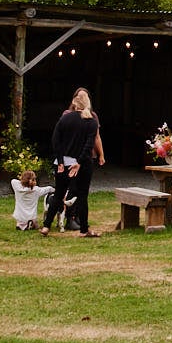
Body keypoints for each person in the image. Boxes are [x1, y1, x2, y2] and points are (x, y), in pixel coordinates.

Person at [47, 88, 105, 236]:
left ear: (74, 102)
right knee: (82, 195)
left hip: (64, 162)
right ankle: (83, 229)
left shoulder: (65, 118)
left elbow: (55, 140)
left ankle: (46, 226)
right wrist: (80, 161)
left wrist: (60, 160)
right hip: (81, 162)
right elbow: (89, 144)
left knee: (59, 193)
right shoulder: (90, 121)